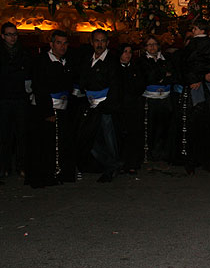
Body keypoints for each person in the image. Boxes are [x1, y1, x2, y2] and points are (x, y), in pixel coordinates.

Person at [76, 29, 123, 183]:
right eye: (97, 41)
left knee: (109, 139)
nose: (99, 44)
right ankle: (112, 164)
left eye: (103, 41)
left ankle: (111, 167)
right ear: (91, 42)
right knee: (90, 139)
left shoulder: (112, 61)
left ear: (107, 43)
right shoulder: (86, 59)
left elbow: (116, 85)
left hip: (106, 106)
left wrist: (107, 105)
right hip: (90, 105)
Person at [28, 30, 73, 187]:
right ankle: (44, 175)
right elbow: (40, 87)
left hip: (62, 107)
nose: (62, 46)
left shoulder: (66, 62)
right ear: (51, 44)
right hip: (46, 108)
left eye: (65, 43)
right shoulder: (42, 61)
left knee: (60, 142)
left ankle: (59, 172)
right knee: (44, 144)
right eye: (59, 43)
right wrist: (47, 112)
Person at [179, 19, 210, 173]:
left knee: (193, 126)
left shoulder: (192, 45)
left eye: (193, 28)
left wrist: (195, 78)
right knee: (209, 125)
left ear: (198, 29)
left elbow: (186, 65)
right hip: (208, 88)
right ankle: (207, 160)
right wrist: (206, 76)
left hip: (196, 89)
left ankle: (192, 161)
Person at [138, 35, 177, 166]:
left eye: (154, 44)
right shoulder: (142, 60)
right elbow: (149, 76)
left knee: (164, 126)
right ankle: (149, 153)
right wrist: (162, 74)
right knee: (150, 127)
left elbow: (172, 75)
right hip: (150, 99)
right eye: (149, 44)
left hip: (165, 98)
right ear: (145, 47)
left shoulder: (166, 58)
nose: (152, 47)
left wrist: (161, 76)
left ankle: (162, 153)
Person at [0, 22, 31, 179]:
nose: (12, 38)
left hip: (20, 98)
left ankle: (21, 166)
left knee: (21, 134)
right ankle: (4, 166)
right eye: (9, 34)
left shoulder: (23, 52)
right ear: (3, 36)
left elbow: (28, 74)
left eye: (14, 34)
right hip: (4, 98)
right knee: (4, 135)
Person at [114, 43, 145, 174]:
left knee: (133, 135)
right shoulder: (114, 68)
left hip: (133, 107)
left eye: (130, 52)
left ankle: (132, 163)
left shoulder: (135, 69)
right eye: (125, 51)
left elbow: (140, 85)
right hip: (119, 107)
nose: (127, 54)